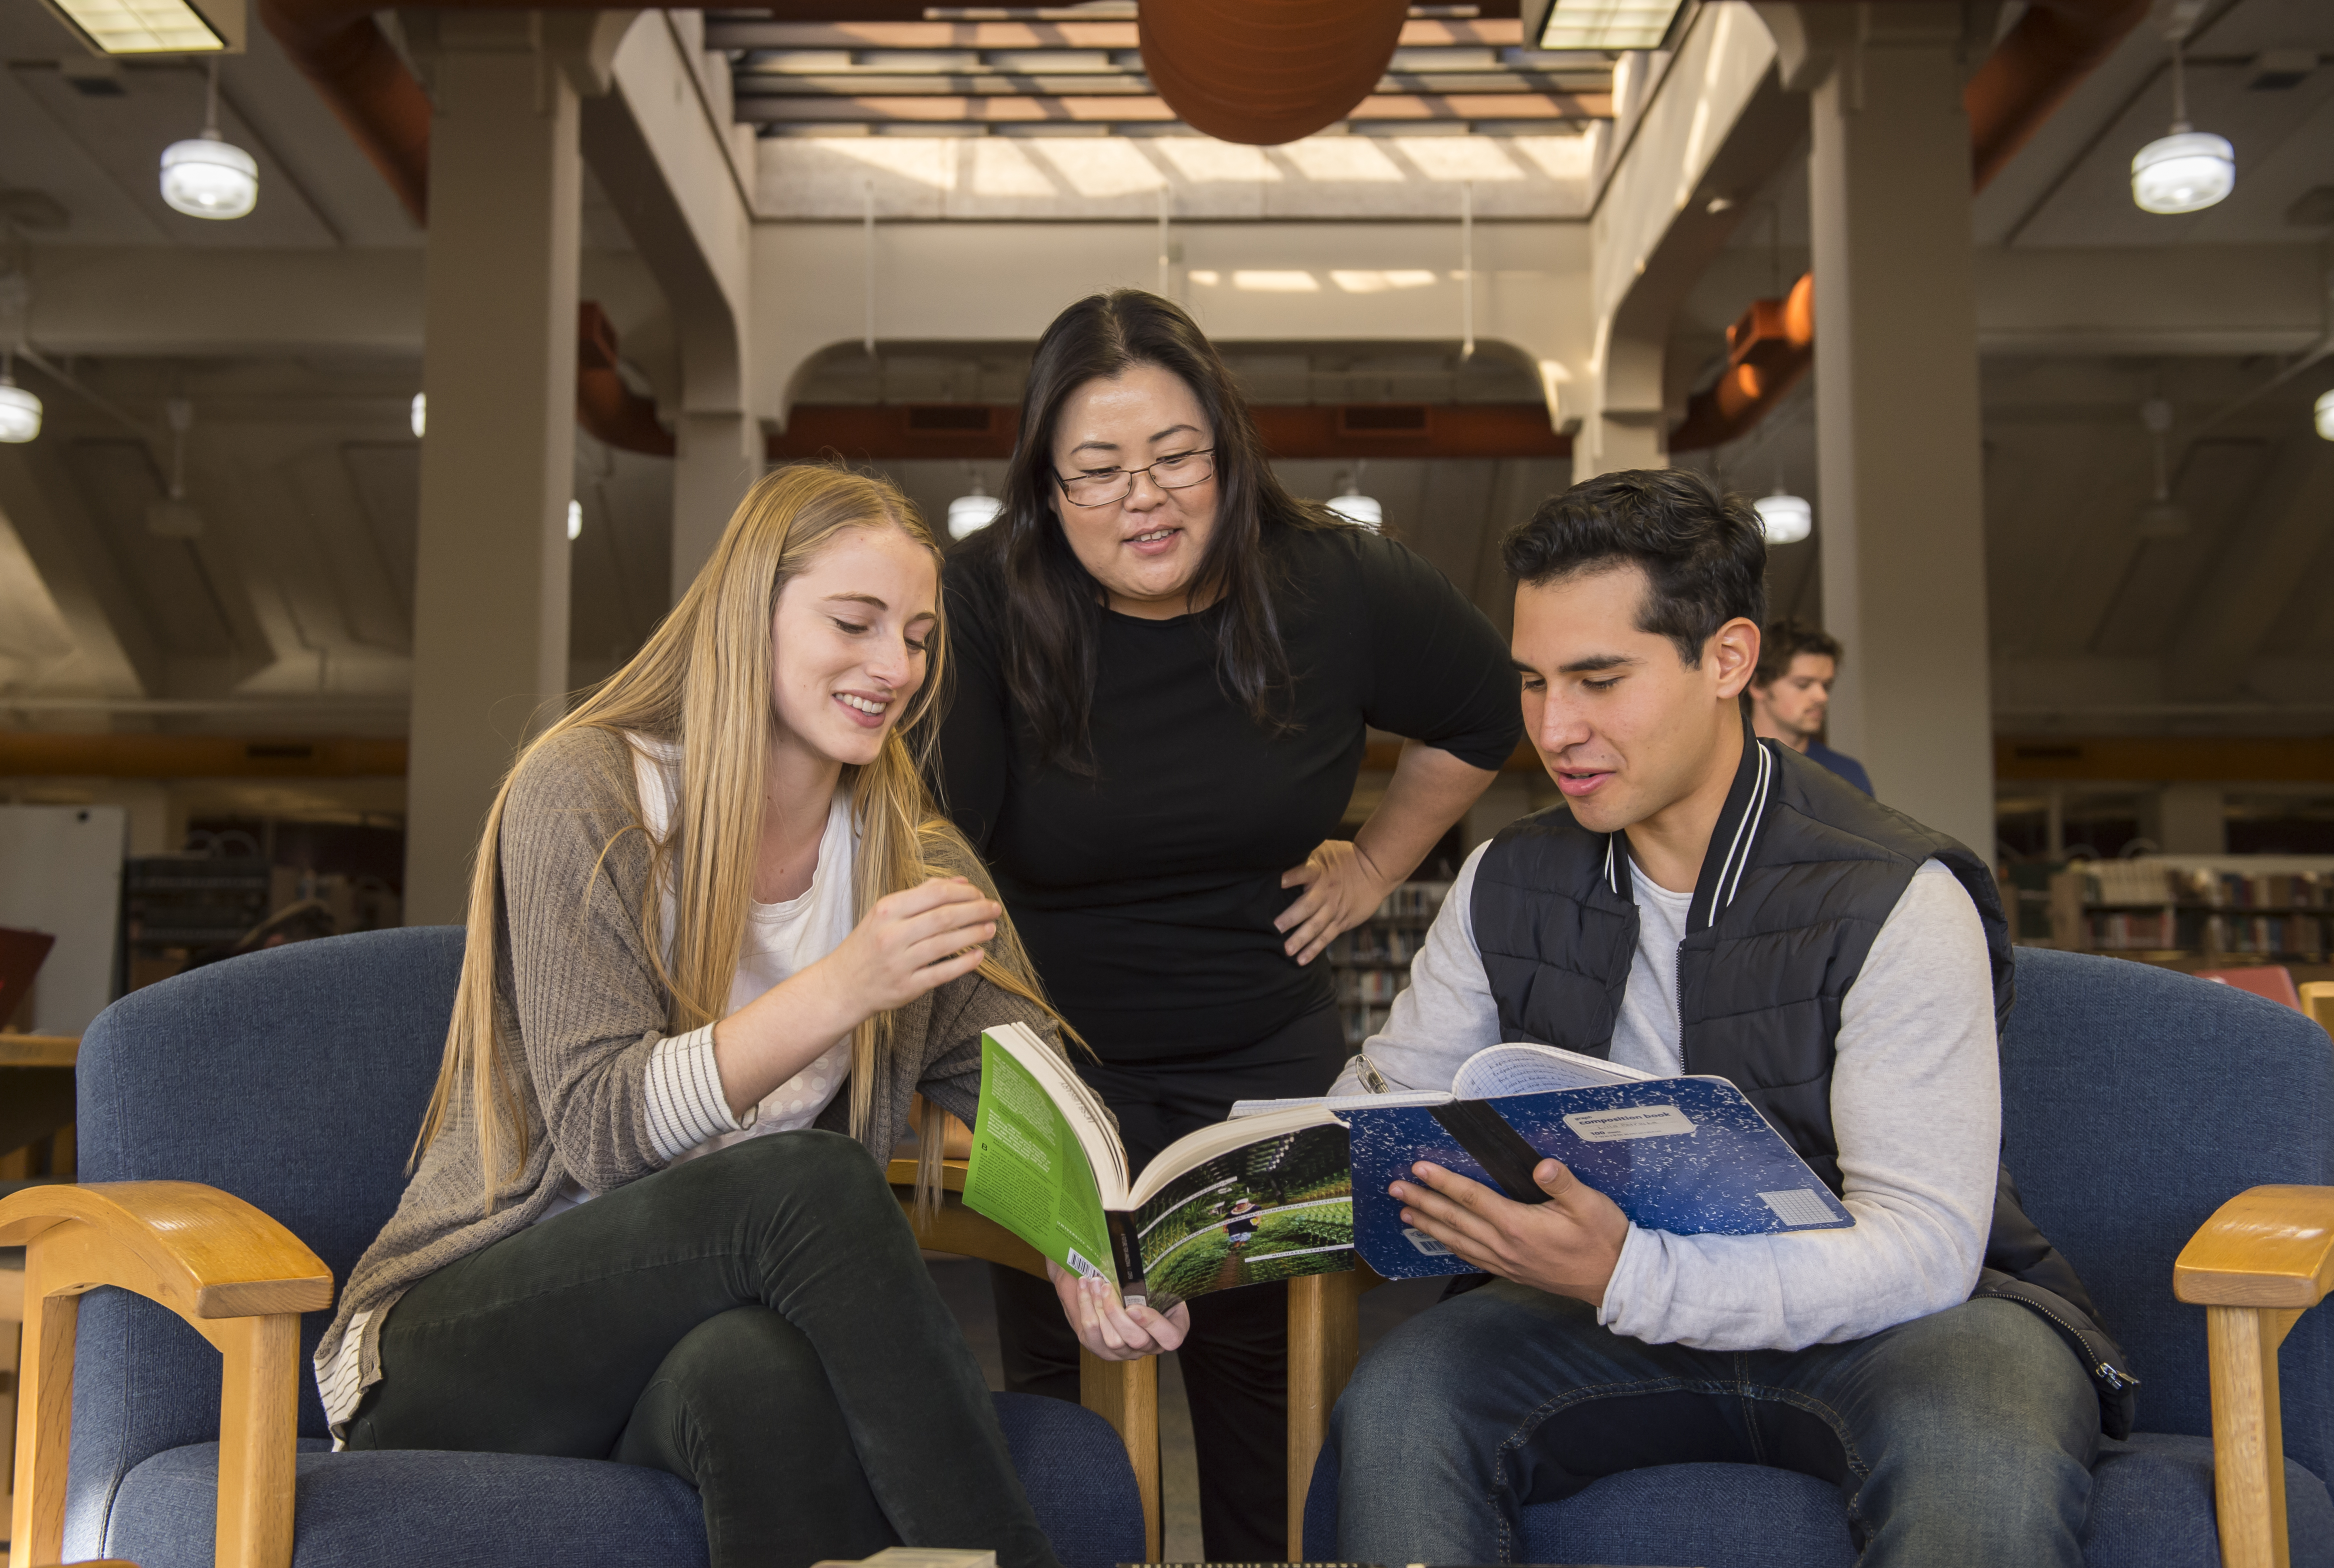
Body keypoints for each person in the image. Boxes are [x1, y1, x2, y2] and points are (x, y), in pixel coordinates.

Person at [1324, 469, 2131, 1566]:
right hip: (1593, 1315)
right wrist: (1211, 1218)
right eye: (1533, 683)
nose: (1556, 730)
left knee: (1976, 1435)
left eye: (1600, 679)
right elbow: (1385, 1103)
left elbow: (1927, 1250)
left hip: (1905, 1323)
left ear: (1728, 659)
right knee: (1402, 1396)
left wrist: (1630, 1273)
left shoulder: (1895, 891)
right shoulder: (1503, 880)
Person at [316, 466, 1106, 1568]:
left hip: (680, 1352)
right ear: (752, 611)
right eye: (855, 621)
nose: (896, 667)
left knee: (759, 1375)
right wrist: (842, 985)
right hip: (464, 1345)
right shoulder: (586, 792)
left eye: (920, 637)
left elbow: (1023, 1086)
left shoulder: (906, 859)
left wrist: (1089, 1247)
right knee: (810, 1181)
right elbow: (600, 1124)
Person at [936, 289, 1522, 1558]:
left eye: (1174, 458)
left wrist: (1372, 865)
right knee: (1063, 1396)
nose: (1141, 500)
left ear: (1226, 451)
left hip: (1261, 1053)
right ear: (1043, 484)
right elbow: (938, 857)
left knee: (1272, 1397)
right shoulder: (981, 600)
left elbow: (1482, 712)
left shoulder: (1329, 580)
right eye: (1094, 471)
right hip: (1048, 1052)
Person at [1748, 618, 1872, 794]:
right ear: (1758, 686)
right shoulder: (1722, 768)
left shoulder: (1847, 775)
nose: (1822, 697)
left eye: (1826, 686)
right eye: (1803, 684)